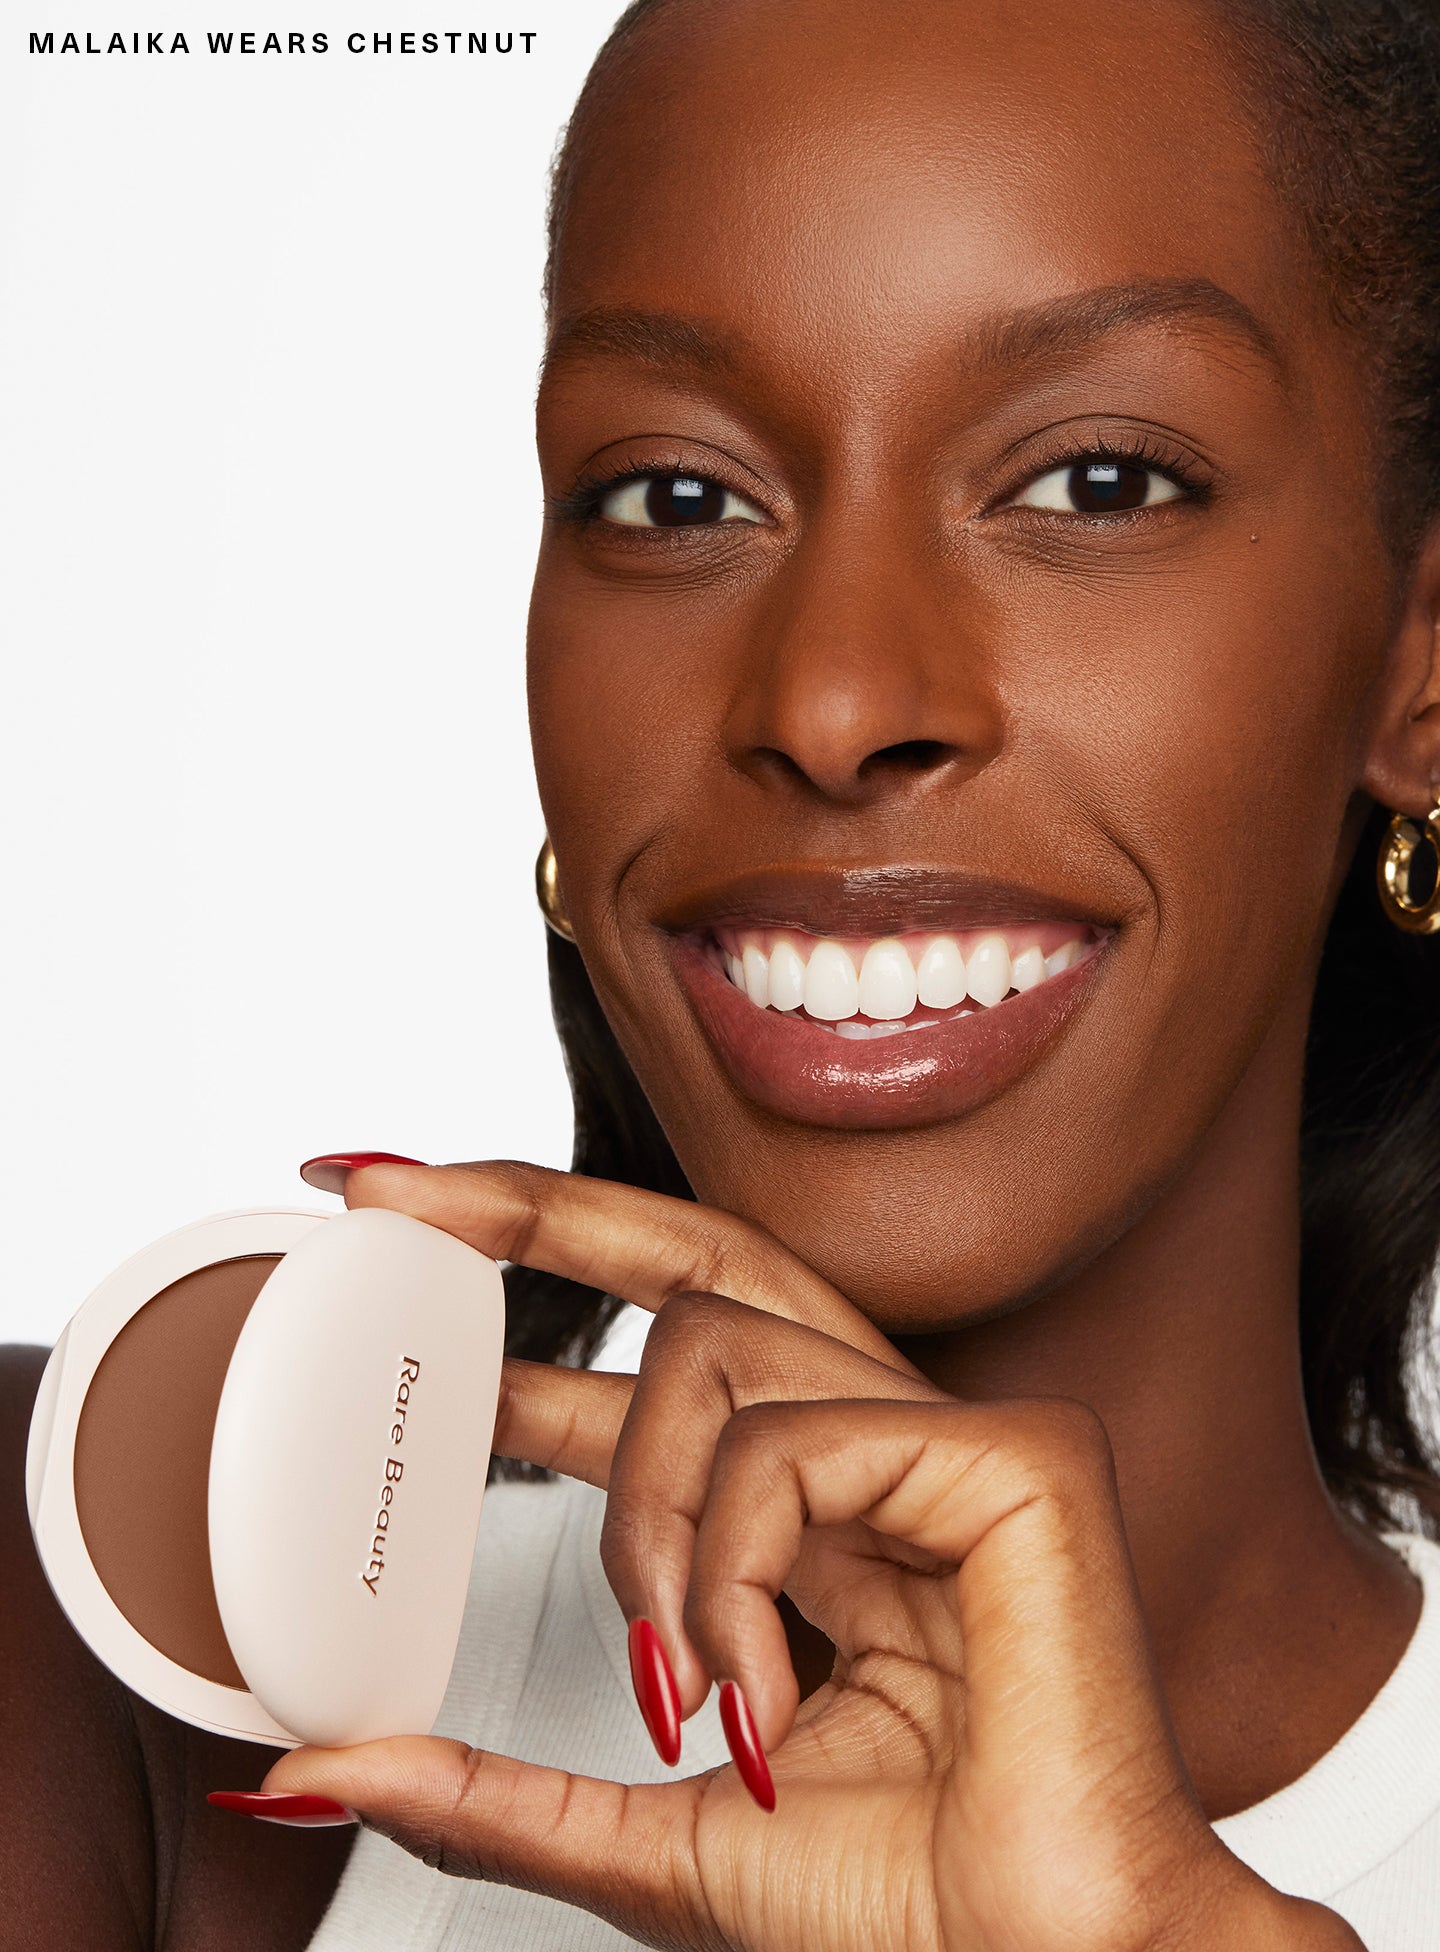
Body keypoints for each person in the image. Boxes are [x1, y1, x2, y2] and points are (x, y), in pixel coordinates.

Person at [7, 0, 1440, 1945]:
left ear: (1420, 664)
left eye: (1096, 481)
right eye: (674, 496)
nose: (832, 702)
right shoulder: (99, 1650)